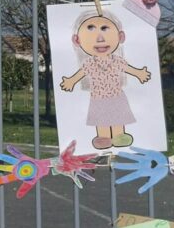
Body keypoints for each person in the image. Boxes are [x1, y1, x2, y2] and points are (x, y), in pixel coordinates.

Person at [60, 11, 150, 150]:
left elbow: (128, 69)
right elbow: (80, 74)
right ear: (77, 40)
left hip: (116, 96)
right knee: (102, 119)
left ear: (120, 37)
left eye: (105, 29)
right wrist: (71, 81)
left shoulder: (117, 61)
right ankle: (103, 137)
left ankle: (119, 135)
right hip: (98, 98)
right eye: (90, 30)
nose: (100, 39)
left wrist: (139, 73)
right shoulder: (89, 63)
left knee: (118, 116)